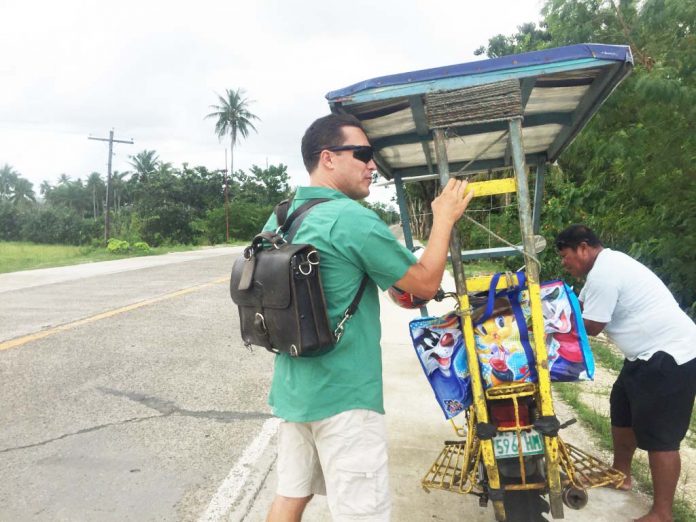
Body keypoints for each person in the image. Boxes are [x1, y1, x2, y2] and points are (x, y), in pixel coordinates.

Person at [264, 113, 473, 522]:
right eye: (362, 154)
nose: (371, 165)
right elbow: (426, 284)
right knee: (363, 513)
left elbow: (370, 285)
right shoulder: (351, 218)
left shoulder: (283, 216)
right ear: (327, 158)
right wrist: (443, 217)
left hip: (294, 391)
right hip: (346, 398)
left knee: (290, 496)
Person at [555, 224, 696, 522]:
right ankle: (621, 473)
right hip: (643, 356)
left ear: (583, 247)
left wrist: (549, 331)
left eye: (566, 256)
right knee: (622, 408)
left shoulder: (606, 272)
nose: (565, 264)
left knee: (661, 438)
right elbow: (578, 306)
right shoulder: (603, 269)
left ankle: (662, 513)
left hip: (670, 356)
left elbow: (591, 325)